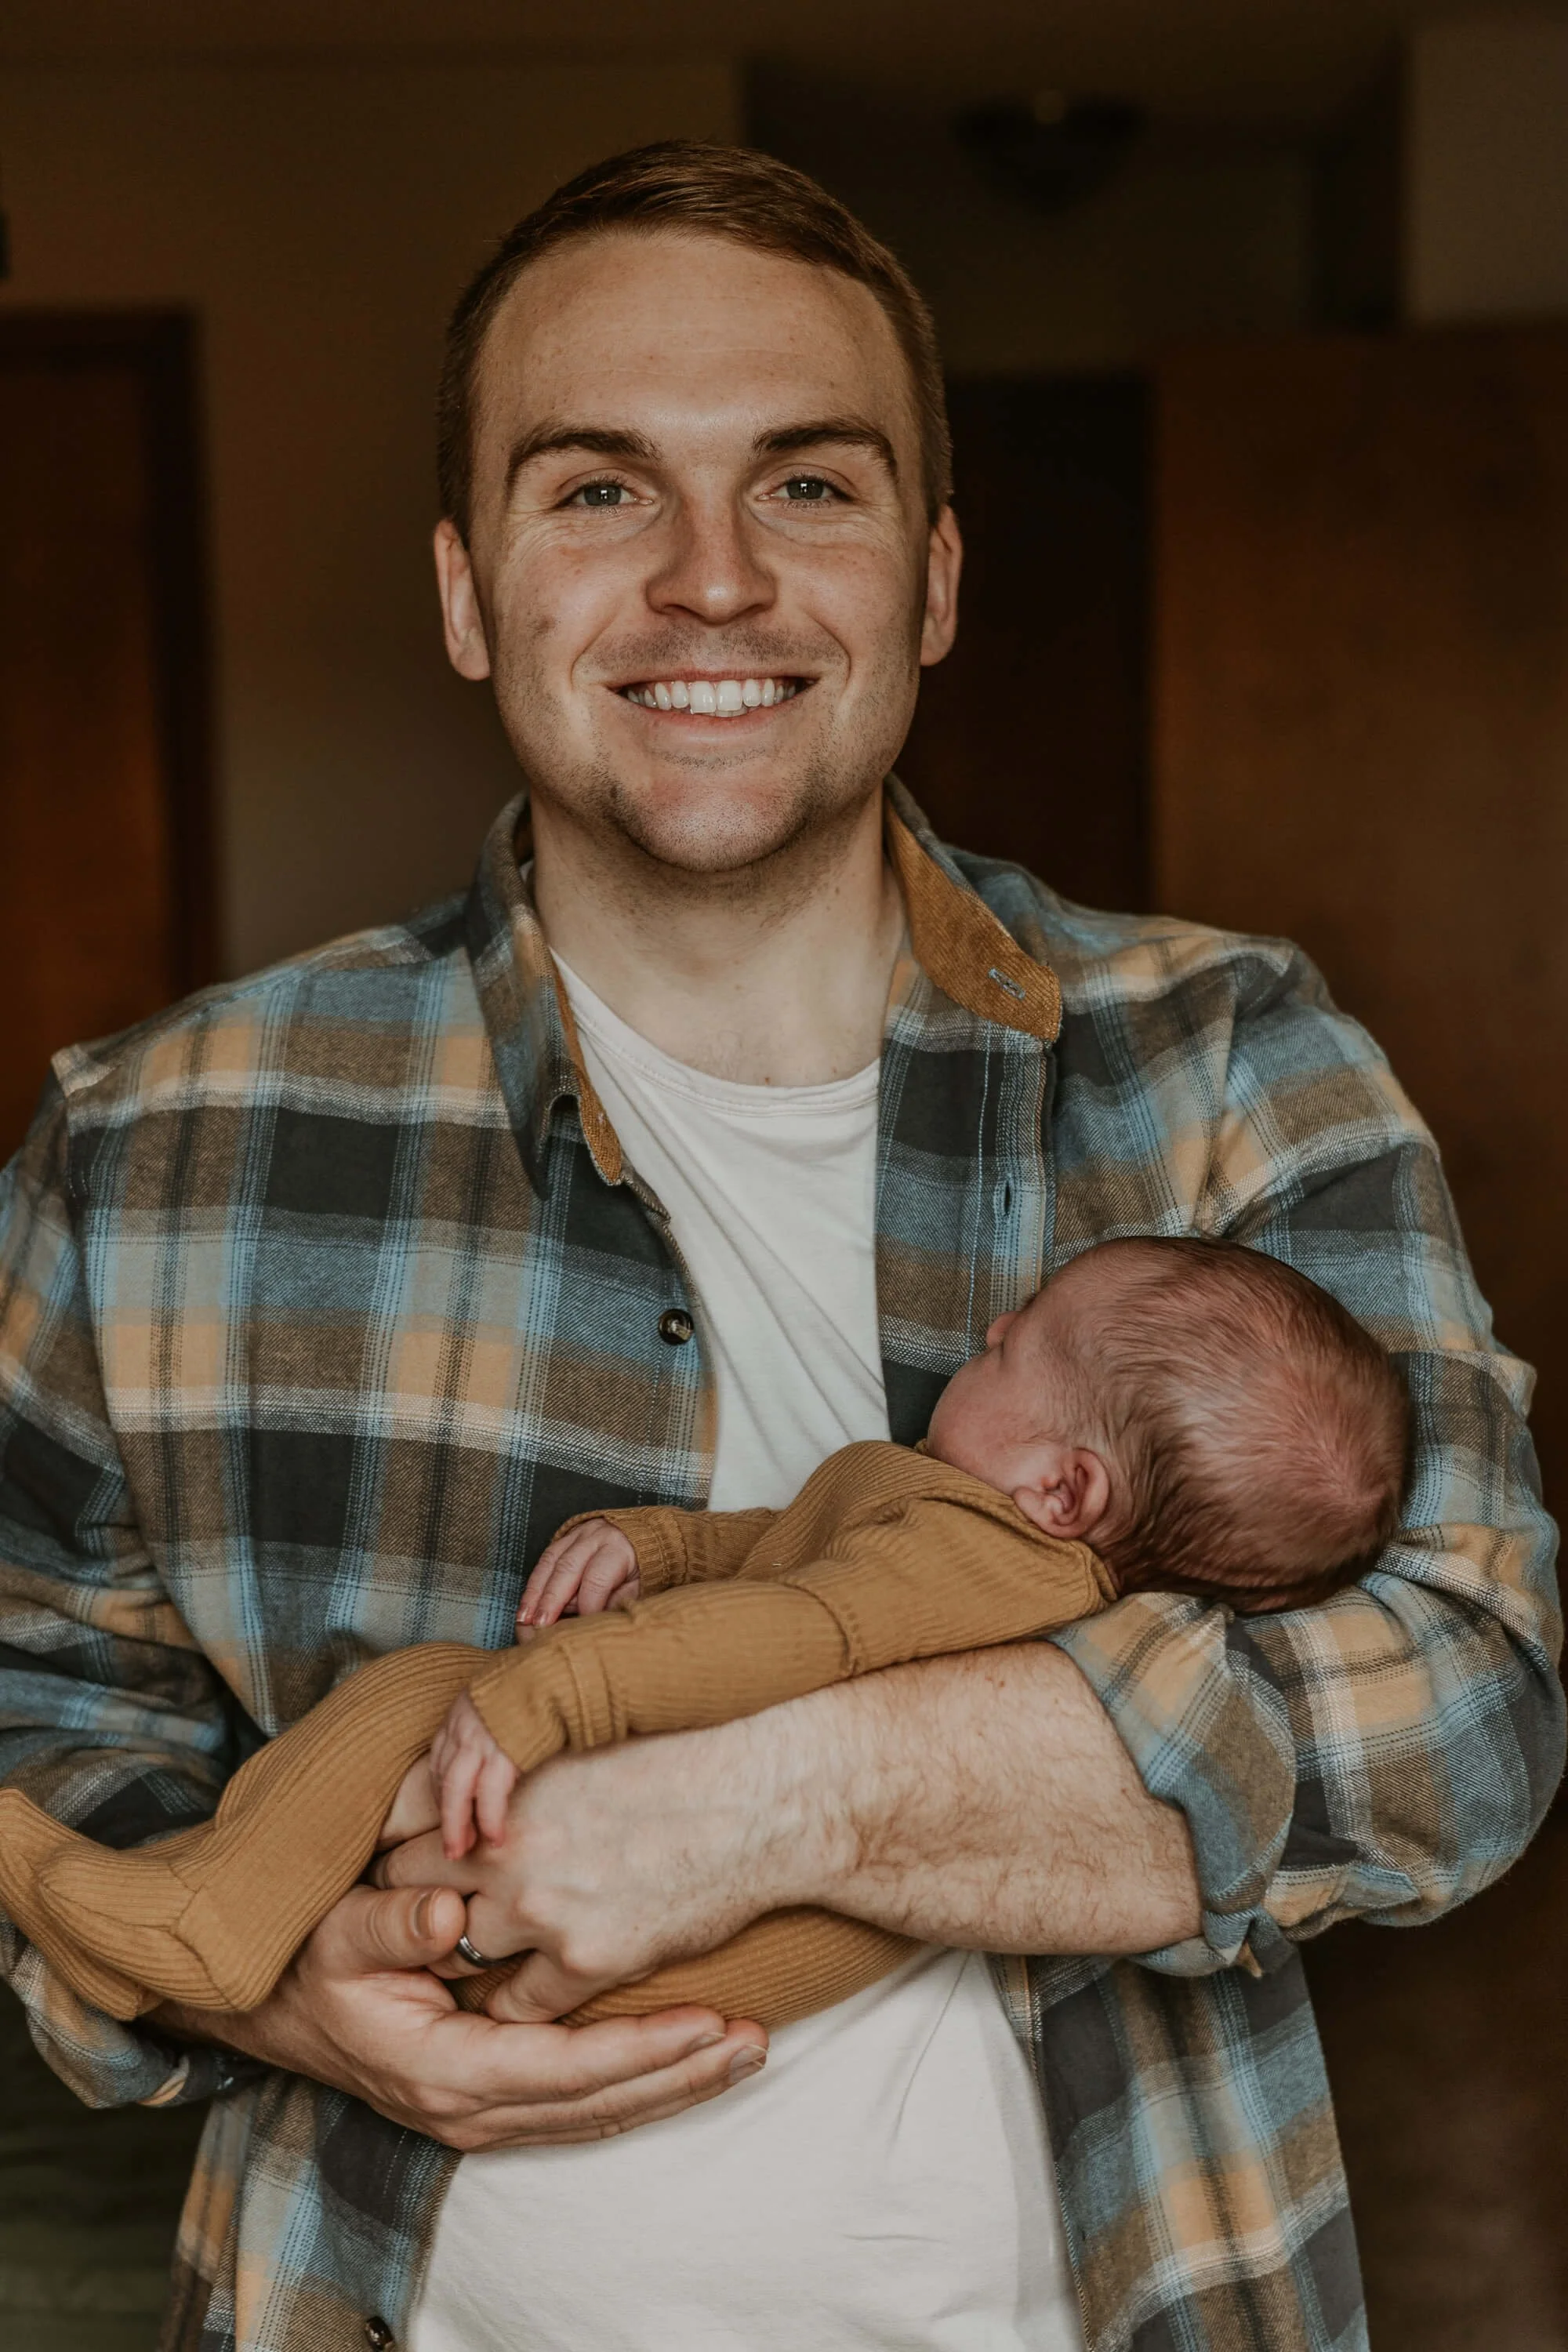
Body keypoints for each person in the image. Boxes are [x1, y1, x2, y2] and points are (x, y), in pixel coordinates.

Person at [0, 138, 1558, 2352]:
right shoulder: (160, 1143)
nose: (711, 581)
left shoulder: (1230, 1061)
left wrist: (758, 1802)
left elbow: (1463, 1706)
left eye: (808, 488)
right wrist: (280, 1991)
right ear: (470, 591)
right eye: (602, 490)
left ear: (931, 581)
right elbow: (40, 1687)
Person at [0, 1234, 1411, 2034]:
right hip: (740, 1975)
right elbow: (784, 1555)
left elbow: (786, 1628)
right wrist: (661, 1545)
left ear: (1065, 1489)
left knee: (426, 1688)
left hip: (701, 1927)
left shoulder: (977, 1563)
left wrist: (554, 1692)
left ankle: (203, 1920)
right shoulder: (987, 1546)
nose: (983, 1327)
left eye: (1009, 1347)